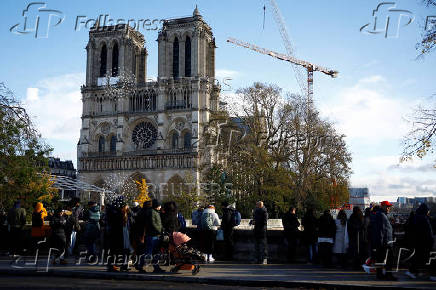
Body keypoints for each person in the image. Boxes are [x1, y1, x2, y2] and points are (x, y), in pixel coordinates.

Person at [405, 203, 434, 279]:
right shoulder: (423, 218)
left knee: (417, 256)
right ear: (425, 211)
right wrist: (431, 241)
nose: (429, 212)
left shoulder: (415, 217)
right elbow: (428, 231)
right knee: (424, 257)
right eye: (428, 211)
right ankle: (430, 274)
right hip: (423, 241)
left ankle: (413, 271)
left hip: (416, 241)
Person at [371, 201, 396, 281]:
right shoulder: (381, 215)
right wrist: (380, 244)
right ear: (383, 206)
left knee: (381, 259)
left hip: (384, 242)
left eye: (389, 207)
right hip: (385, 243)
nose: (389, 208)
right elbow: (380, 231)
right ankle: (387, 275)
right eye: (388, 206)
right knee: (388, 260)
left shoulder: (382, 215)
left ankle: (380, 274)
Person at [145, 199, 165, 273]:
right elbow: (154, 224)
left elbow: (158, 224)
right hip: (152, 235)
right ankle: (141, 265)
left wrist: (162, 229)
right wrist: (160, 231)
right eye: (159, 205)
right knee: (149, 252)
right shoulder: (152, 212)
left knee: (155, 252)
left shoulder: (156, 212)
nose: (160, 207)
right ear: (157, 206)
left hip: (156, 235)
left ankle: (156, 267)